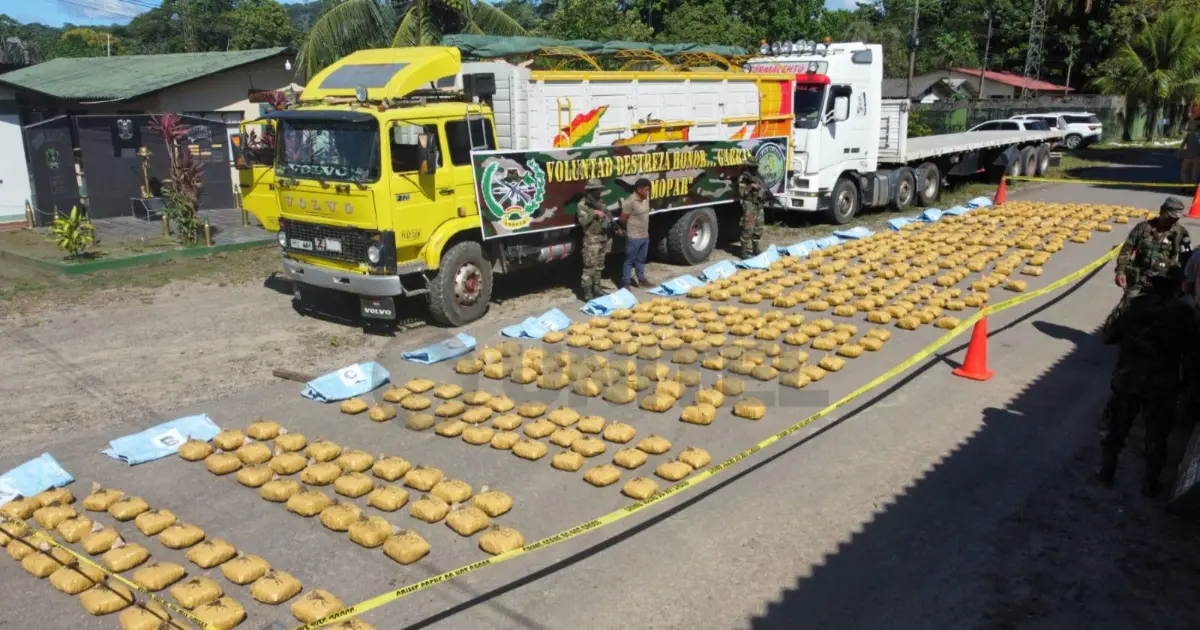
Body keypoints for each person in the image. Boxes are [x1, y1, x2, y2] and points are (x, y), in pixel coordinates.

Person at [1097, 271, 1197, 496]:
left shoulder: (1134, 305)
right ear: (1177, 286)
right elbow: (1193, 351)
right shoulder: (1184, 313)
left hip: (1129, 378)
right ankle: (1150, 485)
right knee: (1157, 434)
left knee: (1117, 428)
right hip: (1163, 383)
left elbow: (1108, 336)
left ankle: (1106, 473)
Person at [1114, 197, 1192, 298]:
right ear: (1162, 211)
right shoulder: (1143, 228)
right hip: (1139, 282)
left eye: (1176, 218)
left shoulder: (1181, 233)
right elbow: (1126, 251)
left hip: (1166, 284)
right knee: (1130, 304)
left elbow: (1187, 261)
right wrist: (1120, 272)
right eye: (1170, 217)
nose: (1173, 221)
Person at [577, 179, 611, 301]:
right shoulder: (583, 204)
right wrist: (593, 213)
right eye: (598, 189)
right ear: (592, 190)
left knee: (599, 266)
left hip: (602, 237)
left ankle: (597, 289)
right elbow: (583, 222)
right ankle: (588, 294)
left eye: (600, 189)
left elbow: (606, 214)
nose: (600, 191)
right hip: (591, 239)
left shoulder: (600, 201)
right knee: (589, 268)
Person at [619, 178, 652, 288]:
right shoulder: (630, 201)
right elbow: (622, 219)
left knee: (641, 259)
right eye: (646, 190)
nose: (648, 192)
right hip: (634, 237)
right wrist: (627, 228)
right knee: (629, 261)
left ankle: (641, 280)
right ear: (639, 189)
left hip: (645, 235)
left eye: (648, 189)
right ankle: (626, 283)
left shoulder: (646, 197)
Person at [738, 156, 768, 258]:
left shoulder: (758, 176)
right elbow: (741, 193)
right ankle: (743, 251)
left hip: (759, 205)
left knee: (759, 228)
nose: (755, 168)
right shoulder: (744, 177)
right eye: (753, 166)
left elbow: (764, 188)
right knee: (748, 228)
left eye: (756, 166)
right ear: (749, 166)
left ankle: (755, 248)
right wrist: (750, 186)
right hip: (749, 205)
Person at [1180, 120, 1200, 188]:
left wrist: (1181, 152)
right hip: (1198, 158)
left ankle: (1184, 185)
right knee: (1195, 173)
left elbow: (1183, 144)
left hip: (1188, 156)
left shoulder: (1190, 134)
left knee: (1184, 171)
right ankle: (1192, 188)